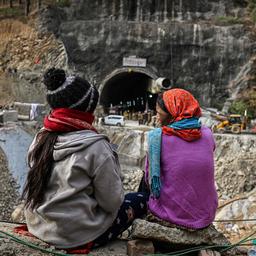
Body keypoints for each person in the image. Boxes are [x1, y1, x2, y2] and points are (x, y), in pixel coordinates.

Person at [22, 68, 148, 253]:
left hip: (39, 227)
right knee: (139, 199)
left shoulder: (40, 138)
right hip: (76, 235)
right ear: (87, 109)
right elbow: (112, 203)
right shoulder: (96, 147)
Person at [145, 88, 218, 230]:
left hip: (174, 216)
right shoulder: (207, 133)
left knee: (144, 186)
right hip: (206, 215)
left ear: (172, 115)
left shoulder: (158, 138)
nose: (157, 118)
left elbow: (150, 180)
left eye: (159, 113)